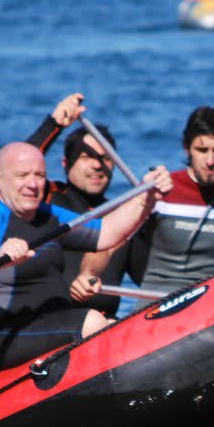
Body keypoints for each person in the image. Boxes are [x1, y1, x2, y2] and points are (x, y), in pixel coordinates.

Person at [0, 143, 171, 375]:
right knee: (92, 322)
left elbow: (106, 233)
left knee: (117, 327)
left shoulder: (49, 216)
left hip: (38, 326)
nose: (32, 184)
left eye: (39, 175)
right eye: (22, 175)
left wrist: (146, 195)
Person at [129, 106, 214, 296]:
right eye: (202, 150)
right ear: (186, 148)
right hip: (157, 298)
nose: (210, 160)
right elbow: (114, 242)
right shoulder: (160, 190)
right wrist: (89, 275)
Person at [27, 124, 131, 320]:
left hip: (106, 327)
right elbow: (15, 168)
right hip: (46, 322)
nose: (97, 165)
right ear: (66, 163)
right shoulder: (44, 197)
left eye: (105, 158)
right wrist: (53, 124)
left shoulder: (124, 217)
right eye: (87, 156)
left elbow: (155, 275)